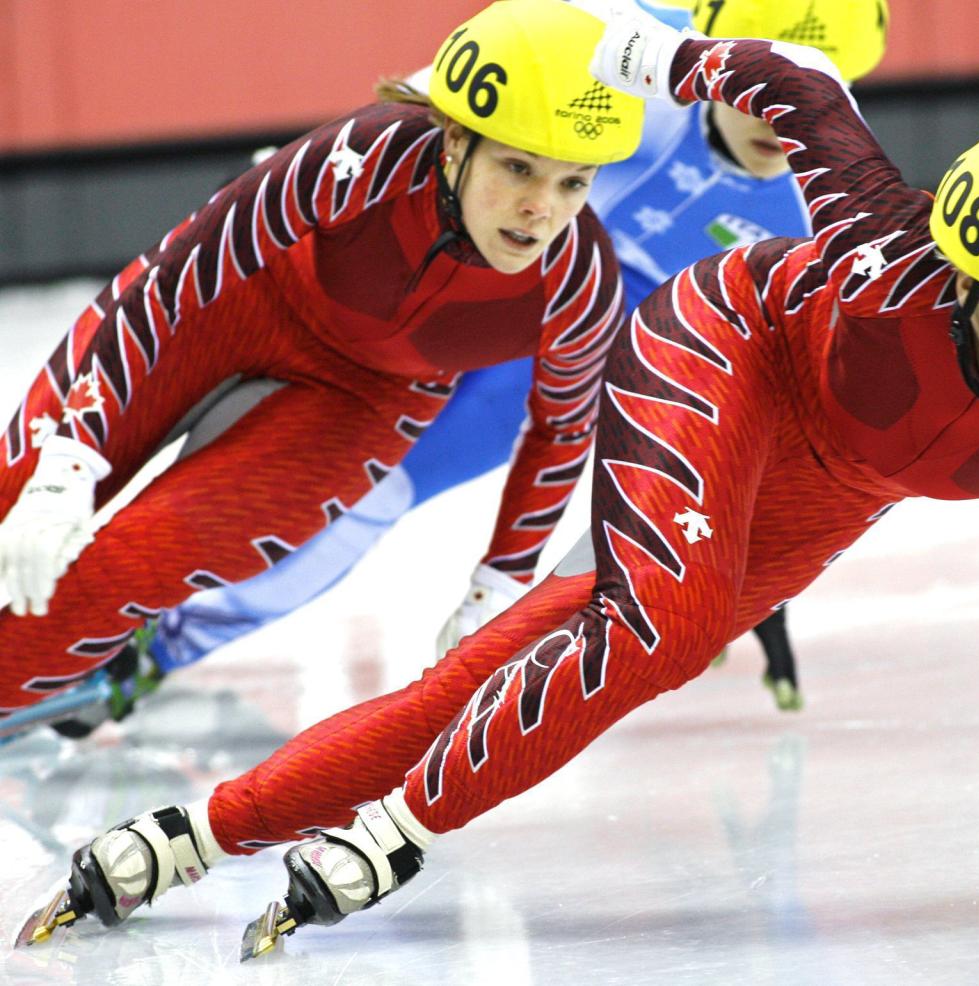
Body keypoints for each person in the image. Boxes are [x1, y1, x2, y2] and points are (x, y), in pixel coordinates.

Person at [19, 0, 979, 957]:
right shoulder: (880, 250)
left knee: (527, 647)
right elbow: (787, 81)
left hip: (786, 455)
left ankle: (195, 831)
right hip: (719, 345)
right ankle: (386, 832)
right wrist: (608, 45)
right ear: (965, 279)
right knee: (652, 629)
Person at [4, 0, 889, 739]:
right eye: (761, 93)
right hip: (387, 275)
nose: (786, 125)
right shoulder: (622, 46)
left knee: (358, 508)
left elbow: (743, 401)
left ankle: (152, 655)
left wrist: (732, 549)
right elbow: (451, 100)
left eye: (815, 100)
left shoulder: (821, 214)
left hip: (528, 357)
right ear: (710, 58)